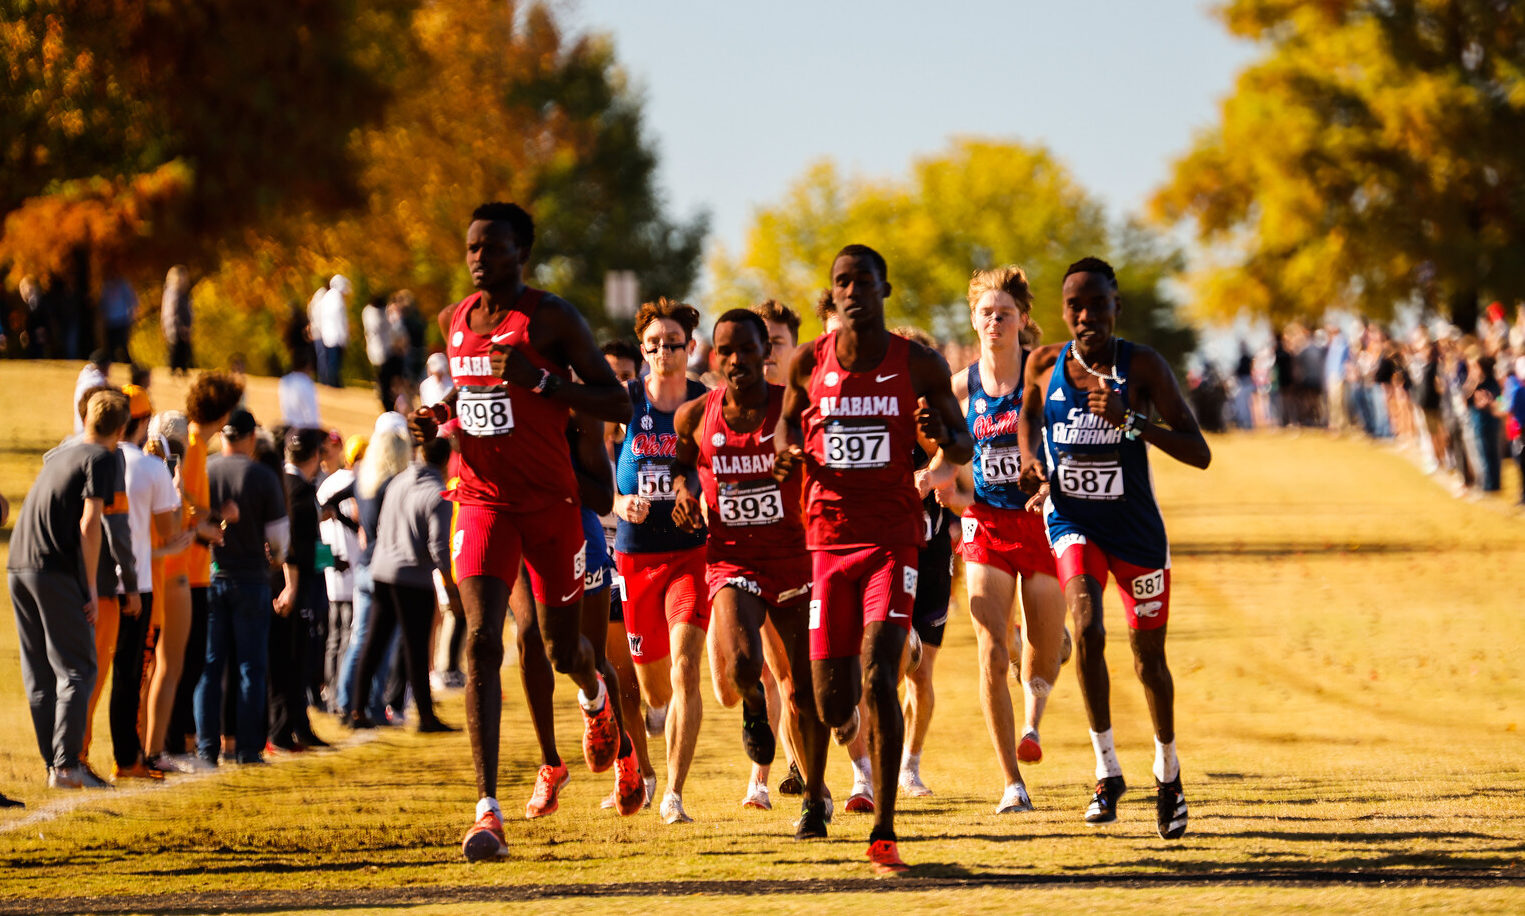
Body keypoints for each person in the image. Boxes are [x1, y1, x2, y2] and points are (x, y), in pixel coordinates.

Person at [408, 201, 634, 861]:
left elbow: (616, 399)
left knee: (564, 651)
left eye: (492, 247)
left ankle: (595, 700)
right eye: (472, 246)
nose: (478, 257)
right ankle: (486, 810)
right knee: (482, 640)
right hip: (479, 499)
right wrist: (439, 418)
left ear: (520, 253)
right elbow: (473, 393)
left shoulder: (551, 317)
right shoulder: (454, 319)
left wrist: (542, 380)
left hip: (550, 505)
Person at [773, 245, 972, 874]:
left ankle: (884, 826)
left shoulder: (918, 363)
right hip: (827, 542)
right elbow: (784, 426)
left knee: (879, 675)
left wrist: (938, 431)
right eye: (841, 283)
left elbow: (961, 440)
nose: (852, 291)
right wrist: (785, 455)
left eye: (864, 281)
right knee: (832, 698)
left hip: (892, 539)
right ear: (831, 296)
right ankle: (822, 789)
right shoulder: (809, 362)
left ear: (884, 287)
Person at [1016, 256, 1211, 840]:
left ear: (1115, 306)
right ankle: (1106, 769)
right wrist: (1032, 465)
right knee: (1088, 626)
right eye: (1074, 306)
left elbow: (1198, 450)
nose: (1085, 316)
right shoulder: (1044, 362)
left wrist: (1132, 424)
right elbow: (1028, 418)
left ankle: (1167, 771)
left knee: (1149, 662)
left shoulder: (1143, 365)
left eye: (1097, 304)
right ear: (1063, 312)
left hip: (1137, 534)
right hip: (1073, 521)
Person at [928, 267, 1067, 813]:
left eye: (1004, 313)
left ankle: (1035, 707)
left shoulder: (1045, 381)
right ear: (973, 320)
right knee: (988, 649)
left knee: (1041, 658)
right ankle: (1012, 782)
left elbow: (1066, 441)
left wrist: (1053, 483)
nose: (993, 321)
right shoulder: (960, 386)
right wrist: (933, 476)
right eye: (984, 313)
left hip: (1042, 522)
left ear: (1022, 321)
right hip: (985, 524)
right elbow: (939, 445)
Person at [671, 308, 820, 816]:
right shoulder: (695, 415)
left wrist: (797, 458)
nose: (736, 360)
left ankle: (814, 797)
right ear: (715, 358)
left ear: (767, 353)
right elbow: (680, 468)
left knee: (802, 688)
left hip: (794, 559)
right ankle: (756, 709)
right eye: (726, 351)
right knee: (739, 668)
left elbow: (822, 459)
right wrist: (683, 493)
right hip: (731, 559)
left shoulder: (794, 409)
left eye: (746, 349)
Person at [612, 297, 712, 824]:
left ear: (690, 348)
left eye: (673, 345)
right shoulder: (625, 400)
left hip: (689, 555)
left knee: (686, 668)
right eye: (652, 345)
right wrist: (614, 500)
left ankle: (673, 793)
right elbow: (588, 459)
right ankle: (650, 756)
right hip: (635, 555)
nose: (663, 354)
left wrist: (696, 492)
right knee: (654, 690)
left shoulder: (706, 402)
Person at [9, 390, 131, 788]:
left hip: (19, 565)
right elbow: (90, 522)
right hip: (54, 568)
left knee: (40, 674)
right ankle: (66, 766)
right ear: (122, 427)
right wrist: (92, 587)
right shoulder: (102, 457)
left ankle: (54, 765)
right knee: (79, 667)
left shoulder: (62, 453)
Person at [195, 409, 290, 766]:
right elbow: (279, 538)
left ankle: (207, 748)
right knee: (251, 667)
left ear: (223, 435)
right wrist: (276, 561)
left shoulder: (205, 469)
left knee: (211, 665)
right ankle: (248, 749)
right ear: (251, 438)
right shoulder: (262, 476)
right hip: (251, 578)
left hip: (212, 574)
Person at [167, 372, 245, 763]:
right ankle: (177, 743)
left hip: (195, 567)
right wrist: (214, 520)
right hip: (186, 567)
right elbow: (185, 503)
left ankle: (181, 742)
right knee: (187, 660)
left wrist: (210, 522)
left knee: (194, 659)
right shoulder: (194, 444)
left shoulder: (197, 442)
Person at [107, 386, 183, 779]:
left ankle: (79, 757)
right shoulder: (151, 467)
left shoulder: (100, 458)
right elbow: (168, 530)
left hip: (100, 579)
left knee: (96, 673)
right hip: (139, 581)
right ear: (140, 422)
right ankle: (128, 757)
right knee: (131, 672)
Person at [358, 435, 458, 733]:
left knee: (374, 642)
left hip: (382, 569)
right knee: (416, 648)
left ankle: (355, 708)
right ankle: (425, 716)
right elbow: (439, 547)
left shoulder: (397, 481)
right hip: (413, 576)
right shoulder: (437, 492)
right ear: (444, 461)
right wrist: (450, 585)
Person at [267, 428, 328, 752]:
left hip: (286, 582)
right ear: (315, 456)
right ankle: (282, 730)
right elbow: (293, 544)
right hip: (292, 585)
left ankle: (295, 726)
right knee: (290, 659)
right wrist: (293, 585)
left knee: (290, 659)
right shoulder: (299, 491)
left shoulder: (285, 485)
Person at [314, 276, 351, 388]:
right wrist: (345, 336)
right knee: (335, 362)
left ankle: (330, 381)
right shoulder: (337, 298)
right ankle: (333, 383)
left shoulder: (327, 297)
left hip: (327, 334)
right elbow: (341, 319)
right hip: (336, 335)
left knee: (330, 360)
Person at [162, 266, 193, 375]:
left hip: (180, 327)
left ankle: (182, 370)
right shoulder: (174, 294)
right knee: (177, 351)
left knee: (183, 351)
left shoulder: (181, 293)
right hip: (177, 328)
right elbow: (175, 312)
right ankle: (175, 370)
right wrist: (182, 327)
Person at [100, 275, 138, 366]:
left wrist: (131, 315)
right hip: (110, 321)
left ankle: (128, 364)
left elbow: (132, 300)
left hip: (122, 320)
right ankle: (112, 364)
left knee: (123, 345)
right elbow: (102, 304)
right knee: (111, 346)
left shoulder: (123, 285)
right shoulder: (106, 286)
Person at [279, 349, 322, 429]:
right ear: (308, 365)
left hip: (288, 429)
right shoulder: (306, 383)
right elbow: (312, 416)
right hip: (303, 433)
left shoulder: (285, 380)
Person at [73, 350, 111, 434]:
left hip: (80, 429)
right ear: (105, 366)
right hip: (90, 431)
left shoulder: (85, 377)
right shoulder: (97, 382)